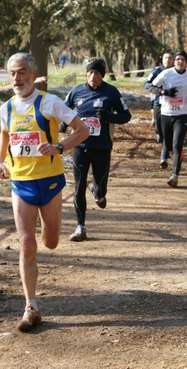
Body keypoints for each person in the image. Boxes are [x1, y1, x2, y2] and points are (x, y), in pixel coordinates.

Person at [0, 52, 89, 332]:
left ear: (33, 75)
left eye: (22, 72)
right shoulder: (7, 108)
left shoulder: (49, 102)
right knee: (26, 244)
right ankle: (31, 307)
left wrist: (60, 147)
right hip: (21, 182)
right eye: (12, 73)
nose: (17, 78)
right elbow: (4, 135)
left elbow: (82, 130)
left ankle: (50, 234)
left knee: (49, 241)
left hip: (49, 182)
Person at [60, 57, 131, 241]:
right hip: (80, 146)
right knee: (78, 186)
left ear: (102, 75)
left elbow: (126, 116)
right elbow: (63, 109)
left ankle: (97, 191)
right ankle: (80, 227)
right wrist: (64, 124)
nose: (93, 76)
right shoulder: (76, 91)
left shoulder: (111, 92)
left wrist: (109, 116)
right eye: (90, 73)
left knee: (101, 190)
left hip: (102, 147)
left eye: (97, 73)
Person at [150, 50, 187, 187]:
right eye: (178, 59)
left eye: (183, 60)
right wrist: (164, 92)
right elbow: (151, 86)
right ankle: (164, 156)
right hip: (166, 114)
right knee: (166, 142)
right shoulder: (166, 73)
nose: (180, 62)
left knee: (177, 144)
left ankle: (174, 175)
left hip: (183, 114)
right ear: (175, 61)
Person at [144, 51, 174, 143]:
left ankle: (171, 139)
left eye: (170, 58)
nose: (168, 60)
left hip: (174, 101)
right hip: (159, 100)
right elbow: (147, 84)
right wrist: (159, 91)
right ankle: (160, 133)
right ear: (162, 59)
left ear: (173, 60)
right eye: (166, 58)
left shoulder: (178, 72)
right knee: (159, 122)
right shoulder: (157, 71)